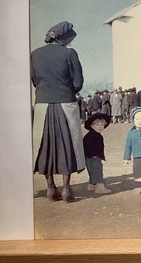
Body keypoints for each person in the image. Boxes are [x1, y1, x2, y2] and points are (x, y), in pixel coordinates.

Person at [31, 21, 86, 203]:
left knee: (44, 145)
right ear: (65, 38)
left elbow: (33, 80)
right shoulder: (69, 53)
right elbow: (78, 82)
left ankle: (49, 187)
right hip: (65, 102)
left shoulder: (35, 54)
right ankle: (66, 189)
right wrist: (67, 90)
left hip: (42, 104)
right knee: (68, 143)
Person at [83, 113, 112, 194]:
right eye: (97, 125)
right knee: (97, 171)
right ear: (92, 126)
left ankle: (92, 184)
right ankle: (100, 187)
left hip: (89, 157)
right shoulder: (94, 136)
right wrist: (95, 155)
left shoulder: (92, 135)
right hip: (94, 156)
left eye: (102, 125)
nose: (100, 127)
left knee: (92, 171)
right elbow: (87, 146)